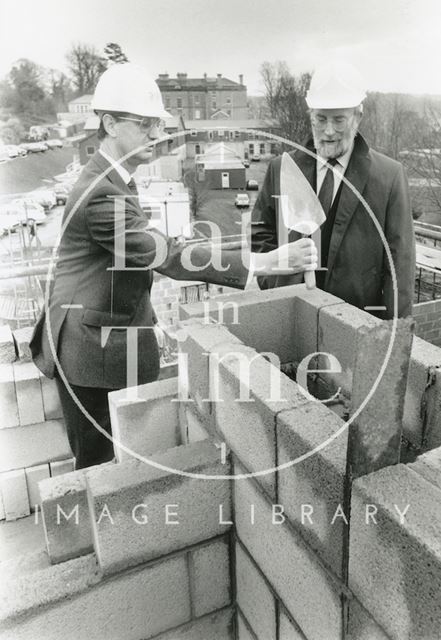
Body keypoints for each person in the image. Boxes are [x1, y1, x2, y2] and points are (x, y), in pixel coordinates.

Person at [30, 63, 317, 469]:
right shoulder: (100, 194)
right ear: (109, 124)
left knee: (120, 465)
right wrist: (263, 261)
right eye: (144, 124)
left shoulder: (114, 179)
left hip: (101, 334)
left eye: (158, 124)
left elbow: (139, 255)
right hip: (89, 354)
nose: (157, 134)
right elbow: (165, 255)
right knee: (99, 470)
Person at [251, 61, 416, 319]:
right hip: (293, 316)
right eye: (321, 119)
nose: (328, 131)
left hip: (356, 323)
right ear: (310, 116)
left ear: (357, 117)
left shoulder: (389, 177)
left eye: (339, 120)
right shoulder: (282, 169)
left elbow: (400, 267)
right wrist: (276, 283)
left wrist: (394, 336)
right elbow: (260, 235)